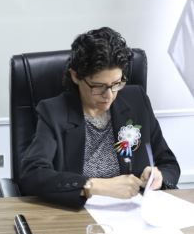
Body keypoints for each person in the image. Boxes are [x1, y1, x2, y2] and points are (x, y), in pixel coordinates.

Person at [19, 27, 180, 208]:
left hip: (134, 213)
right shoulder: (53, 112)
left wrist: (158, 176)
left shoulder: (137, 100)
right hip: (77, 215)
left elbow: (169, 164)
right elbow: (32, 174)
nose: (109, 95)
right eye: (99, 86)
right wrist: (95, 186)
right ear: (76, 76)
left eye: (116, 84)